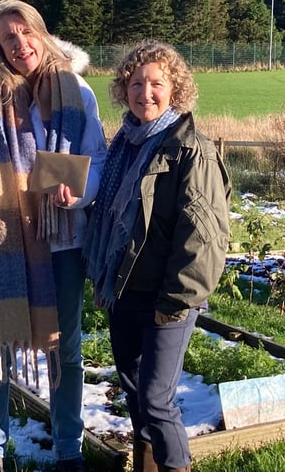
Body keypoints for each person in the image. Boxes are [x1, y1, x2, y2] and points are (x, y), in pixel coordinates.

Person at [0, 0, 108, 472]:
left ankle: (68, 448)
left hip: (63, 240)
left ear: (40, 32)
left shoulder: (76, 90)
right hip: (4, 241)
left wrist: (76, 192)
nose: (20, 44)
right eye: (8, 37)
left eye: (26, 33)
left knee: (67, 347)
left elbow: (96, 159)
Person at [84, 40, 231, 472]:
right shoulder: (124, 145)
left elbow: (203, 238)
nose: (144, 92)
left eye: (156, 83)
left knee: (156, 398)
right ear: (122, 90)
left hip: (167, 297)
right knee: (133, 389)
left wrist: (175, 301)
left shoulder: (190, 149)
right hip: (125, 288)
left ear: (175, 91)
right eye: (135, 83)